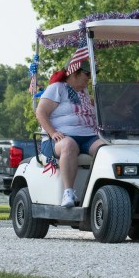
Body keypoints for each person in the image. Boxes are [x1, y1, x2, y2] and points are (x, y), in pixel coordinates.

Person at [36, 58, 105, 207]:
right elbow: (40, 112)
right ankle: (68, 193)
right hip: (58, 138)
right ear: (74, 72)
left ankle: (104, 191)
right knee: (68, 145)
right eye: (87, 74)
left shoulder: (84, 92)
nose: (90, 78)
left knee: (105, 149)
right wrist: (52, 132)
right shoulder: (57, 88)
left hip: (88, 137)